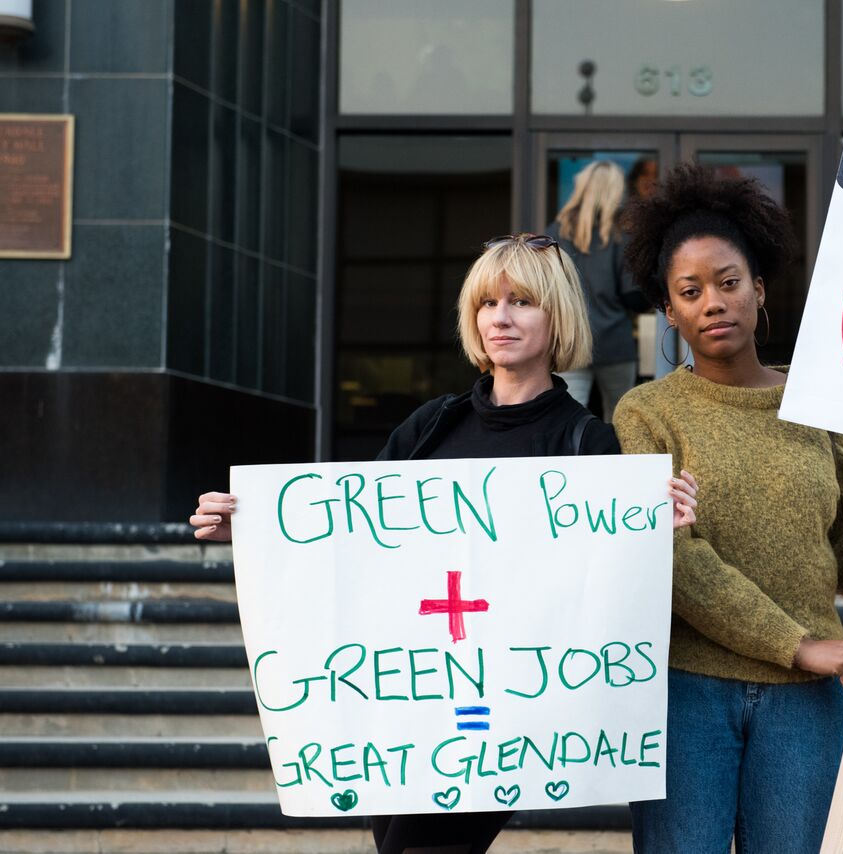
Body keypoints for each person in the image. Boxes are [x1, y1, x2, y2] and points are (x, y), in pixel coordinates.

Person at [190, 233, 698, 854]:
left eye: (522, 302)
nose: (500, 318)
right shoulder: (431, 425)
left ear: (557, 315)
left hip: (508, 718)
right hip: (407, 707)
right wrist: (252, 528)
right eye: (488, 303)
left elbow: (606, 590)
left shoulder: (585, 444)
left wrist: (655, 528)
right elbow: (350, 540)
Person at [612, 164, 843, 854]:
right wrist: (799, 646)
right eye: (690, 291)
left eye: (729, 282)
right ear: (669, 313)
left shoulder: (820, 403)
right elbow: (677, 559)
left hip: (808, 702)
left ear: (759, 291)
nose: (713, 302)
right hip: (686, 691)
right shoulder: (645, 414)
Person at [546, 160, 649, 421]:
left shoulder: (554, 233)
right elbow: (633, 295)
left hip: (570, 340)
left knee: (565, 418)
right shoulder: (622, 235)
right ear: (615, 191)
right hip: (615, 342)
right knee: (620, 421)